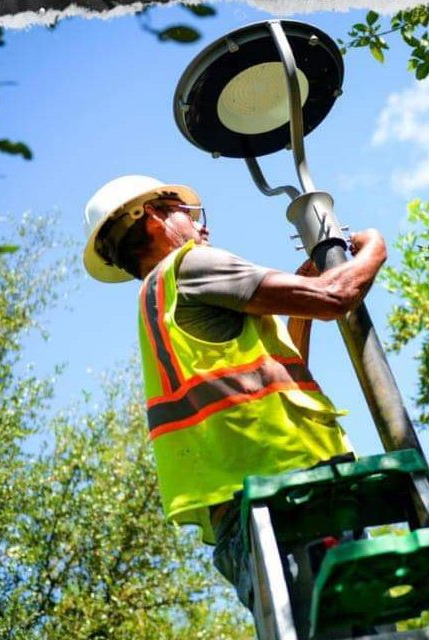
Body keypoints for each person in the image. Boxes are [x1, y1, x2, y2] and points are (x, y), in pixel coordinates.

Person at [82, 175, 387, 608]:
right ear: (152, 216)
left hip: (242, 523)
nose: (200, 227)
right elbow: (336, 296)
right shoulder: (188, 266)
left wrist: (298, 305)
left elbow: (271, 374)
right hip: (293, 501)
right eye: (186, 214)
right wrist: (374, 245)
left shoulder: (157, 301)